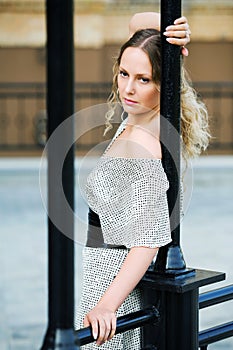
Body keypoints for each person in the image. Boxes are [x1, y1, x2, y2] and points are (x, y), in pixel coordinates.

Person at [75, 12, 209, 349]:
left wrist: (107, 304)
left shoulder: (143, 147)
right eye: (123, 73)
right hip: (101, 276)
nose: (128, 88)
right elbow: (138, 22)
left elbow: (147, 241)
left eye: (143, 79)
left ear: (164, 84)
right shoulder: (138, 117)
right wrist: (178, 30)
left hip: (113, 285)